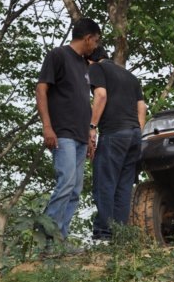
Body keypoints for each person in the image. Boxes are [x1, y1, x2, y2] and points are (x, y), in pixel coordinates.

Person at [36, 18, 101, 248]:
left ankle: (60, 240)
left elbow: (83, 102)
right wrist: (47, 126)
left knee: (75, 190)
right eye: (96, 41)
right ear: (87, 38)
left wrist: (89, 134)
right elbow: (41, 89)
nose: (95, 46)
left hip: (80, 136)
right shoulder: (58, 55)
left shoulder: (84, 66)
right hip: (61, 132)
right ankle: (46, 242)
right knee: (65, 183)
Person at [87, 46, 146, 242]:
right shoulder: (130, 76)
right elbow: (142, 108)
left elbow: (101, 95)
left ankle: (104, 233)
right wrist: (138, 132)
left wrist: (92, 126)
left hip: (114, 133)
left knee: (105, 183)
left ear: (90, 60)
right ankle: (120, 236)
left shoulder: (96, 69)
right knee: (123, 186)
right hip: (134, 135)